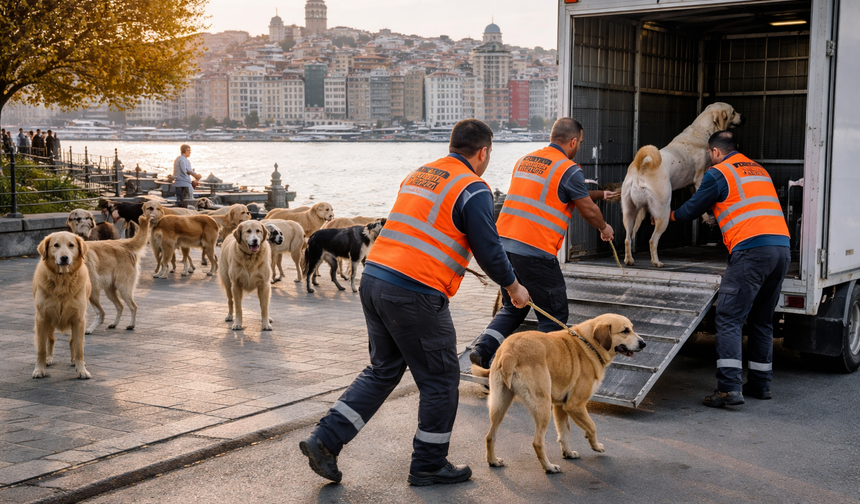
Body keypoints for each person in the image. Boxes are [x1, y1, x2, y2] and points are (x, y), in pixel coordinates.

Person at [299, 119, 530, 486]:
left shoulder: (419, 174)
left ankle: (324, 440)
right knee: (440, 379)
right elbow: (488, 247)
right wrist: (513, 287)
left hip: (375, 279)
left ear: (452, 144)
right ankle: (428, 464)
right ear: (483, 152)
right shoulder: (473, 187)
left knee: (384, 370)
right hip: (414, 291)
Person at [469, 117, 615, 370]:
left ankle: (483, 349)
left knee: (513, 307)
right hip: (535, 251)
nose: (578, 146)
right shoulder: (567, 168)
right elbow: (588, 209)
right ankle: (544, 372)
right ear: (573, 141)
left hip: (504, 247)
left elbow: (557, 194)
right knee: (555, 316)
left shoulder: (525, 160)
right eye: (579, 142)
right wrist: (604, 227)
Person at [670, 130, 790, 407]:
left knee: (728, 318)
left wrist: (669, 215)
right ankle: (760, 384)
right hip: (781, 249)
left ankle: (729, 389)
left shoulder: (719, 172)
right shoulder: (758, 170)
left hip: (751, 251)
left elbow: (691, 210)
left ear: (714, 153)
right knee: (762, 319)